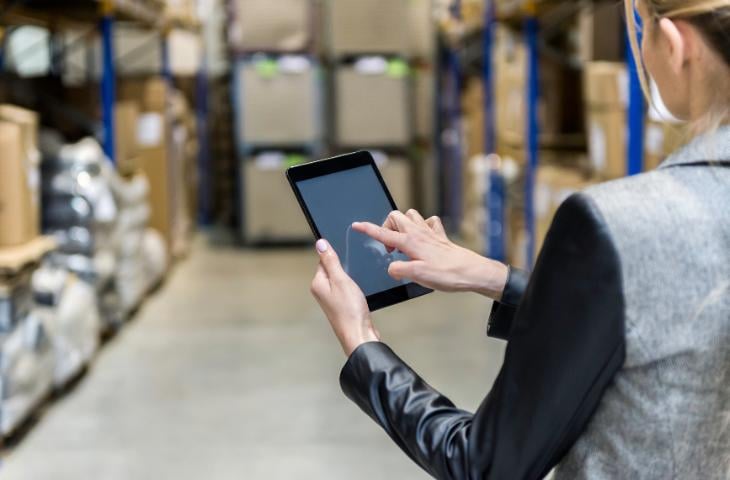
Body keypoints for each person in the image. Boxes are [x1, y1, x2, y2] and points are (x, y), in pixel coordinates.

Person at [309, 0, 730, 477]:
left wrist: (362, 342)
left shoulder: (617, 221)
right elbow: (658, 323)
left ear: (677, 46)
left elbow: (484, 463)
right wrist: (493, 277)